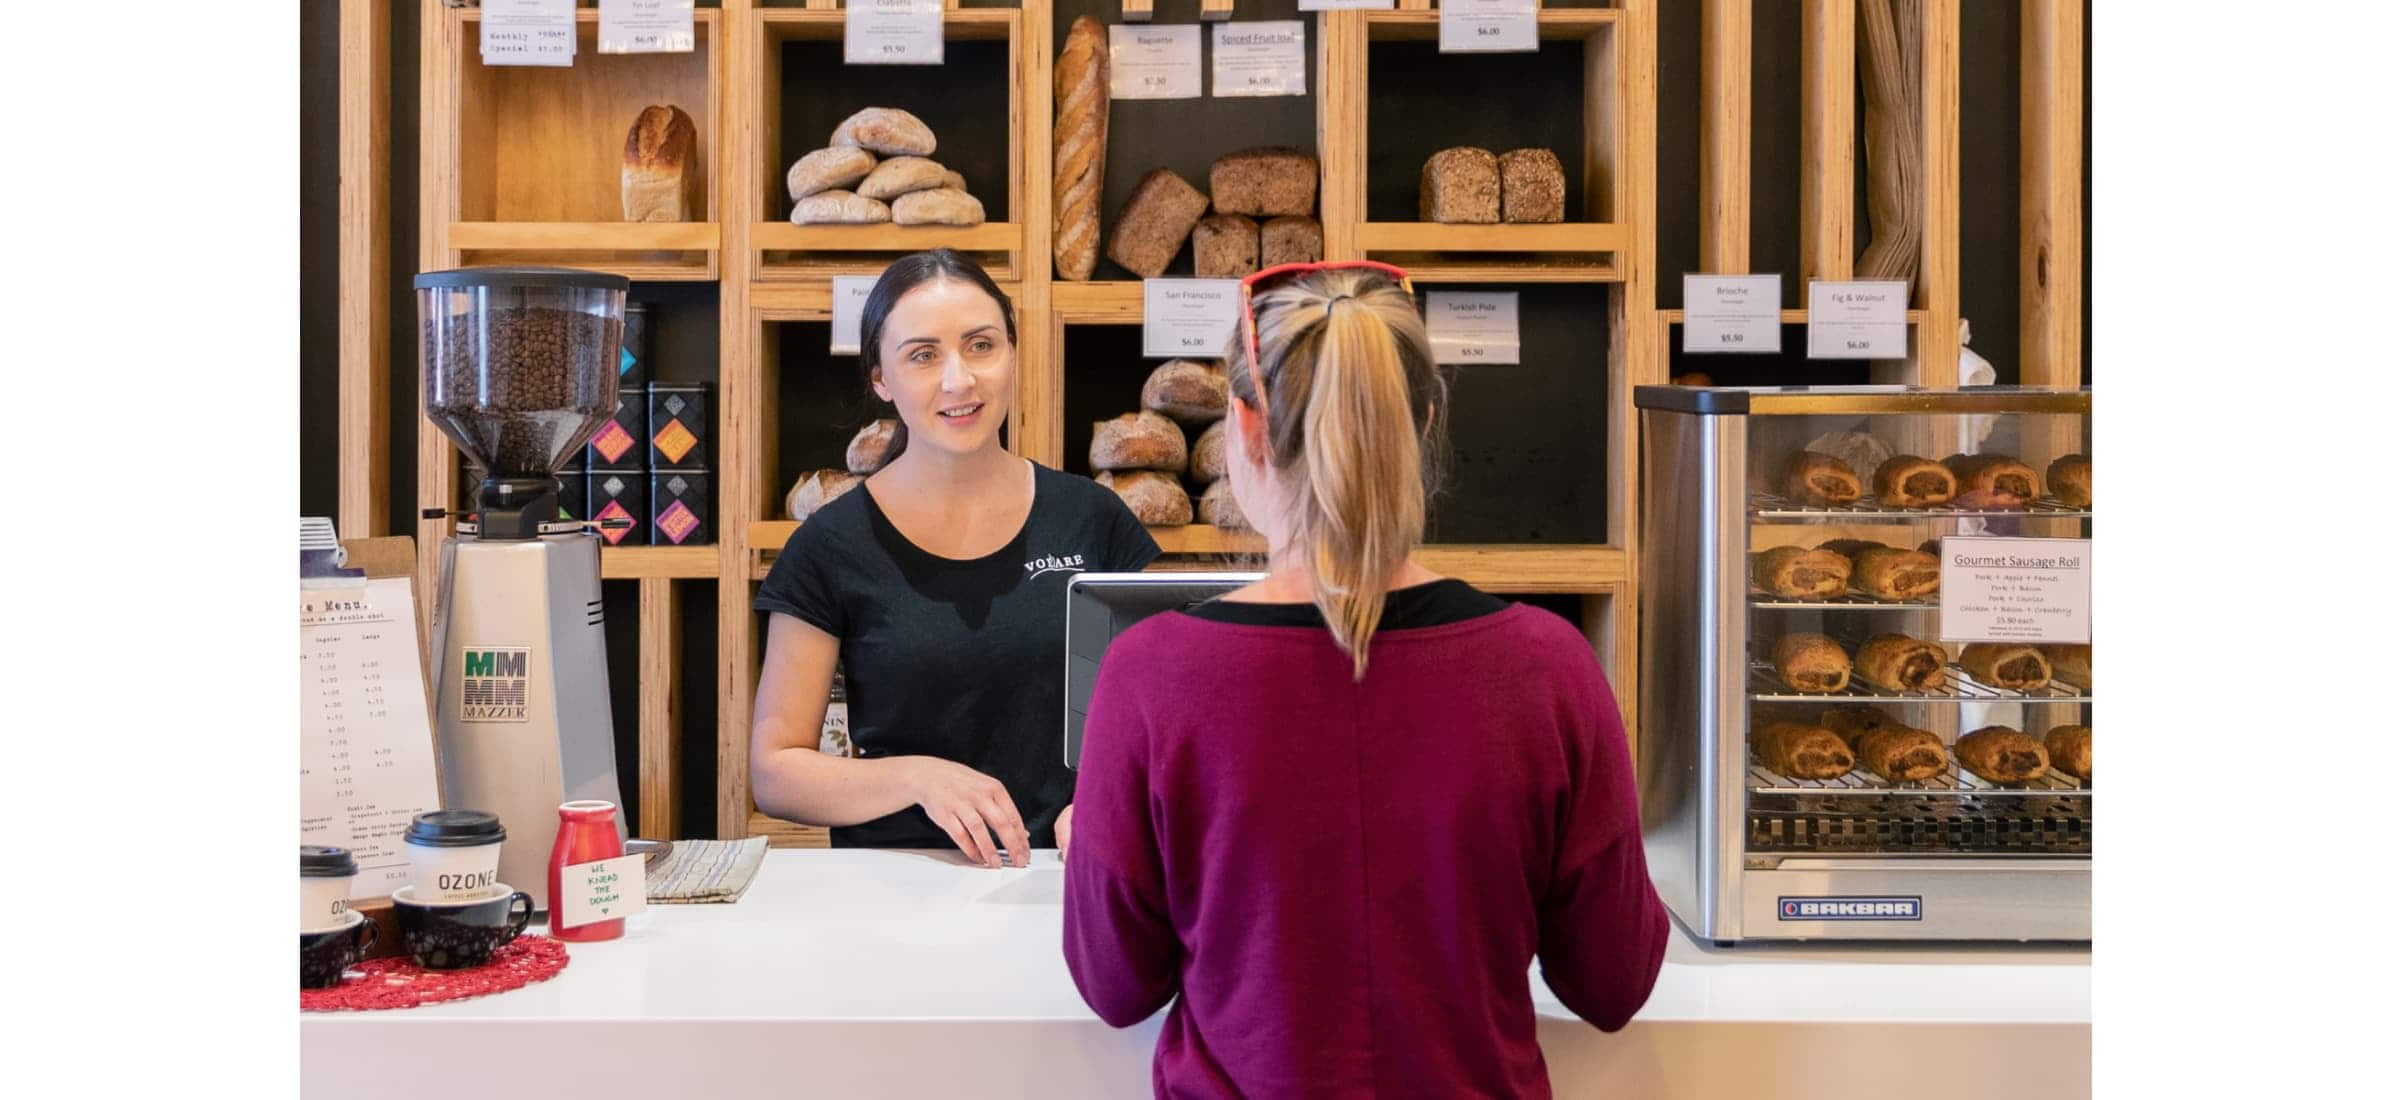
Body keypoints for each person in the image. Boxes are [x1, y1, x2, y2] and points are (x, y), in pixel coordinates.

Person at [1061, 261, 1669, 1097]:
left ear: (1242, 427)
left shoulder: (1149, 674)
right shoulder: (1548, 666)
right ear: (1421, 422)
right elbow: (1613, 982)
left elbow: (1115, 986)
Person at [750, 249, 1160, 866]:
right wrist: (917, 778)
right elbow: (776, 771)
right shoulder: (829, 547)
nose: (958, 380)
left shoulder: (1093, 519)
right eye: (923, 355)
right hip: (899, 885)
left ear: (1013, 353)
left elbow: (1161, 715)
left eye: (981, 345)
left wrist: (1113, 798)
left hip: (1061, 879)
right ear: (880, 379)